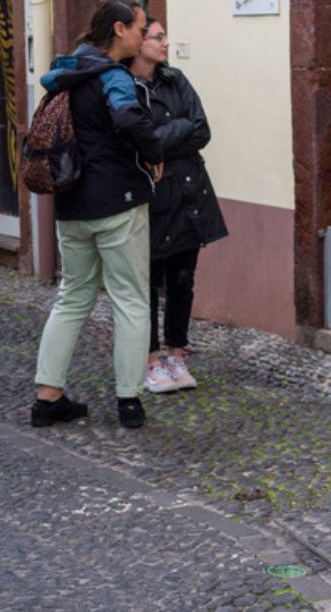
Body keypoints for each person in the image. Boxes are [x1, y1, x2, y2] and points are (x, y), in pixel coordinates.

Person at [30, 0, 164, 430]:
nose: (145, 36)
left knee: (73, 296)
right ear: (120, 30)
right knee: (130, 299)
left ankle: (48, 398)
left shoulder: (67, 70)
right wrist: (153, 152)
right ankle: (129, 401)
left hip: (71, 203)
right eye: (141, 28)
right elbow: (128, 120)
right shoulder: (113, 76)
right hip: (117, 203)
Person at [126, 20, 228, 393]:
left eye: (165, 35)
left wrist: (159, 141)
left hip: (188, 191)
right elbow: (138, 143)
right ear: (138, 44)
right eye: (157, 37)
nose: (166, 42)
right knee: (148, 281)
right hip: (150, 196)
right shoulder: (125, 86)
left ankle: (177, 353)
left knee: (183, 278)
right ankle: (150, 359)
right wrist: (172, 134)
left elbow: (201, 129)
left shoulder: (175, 80)